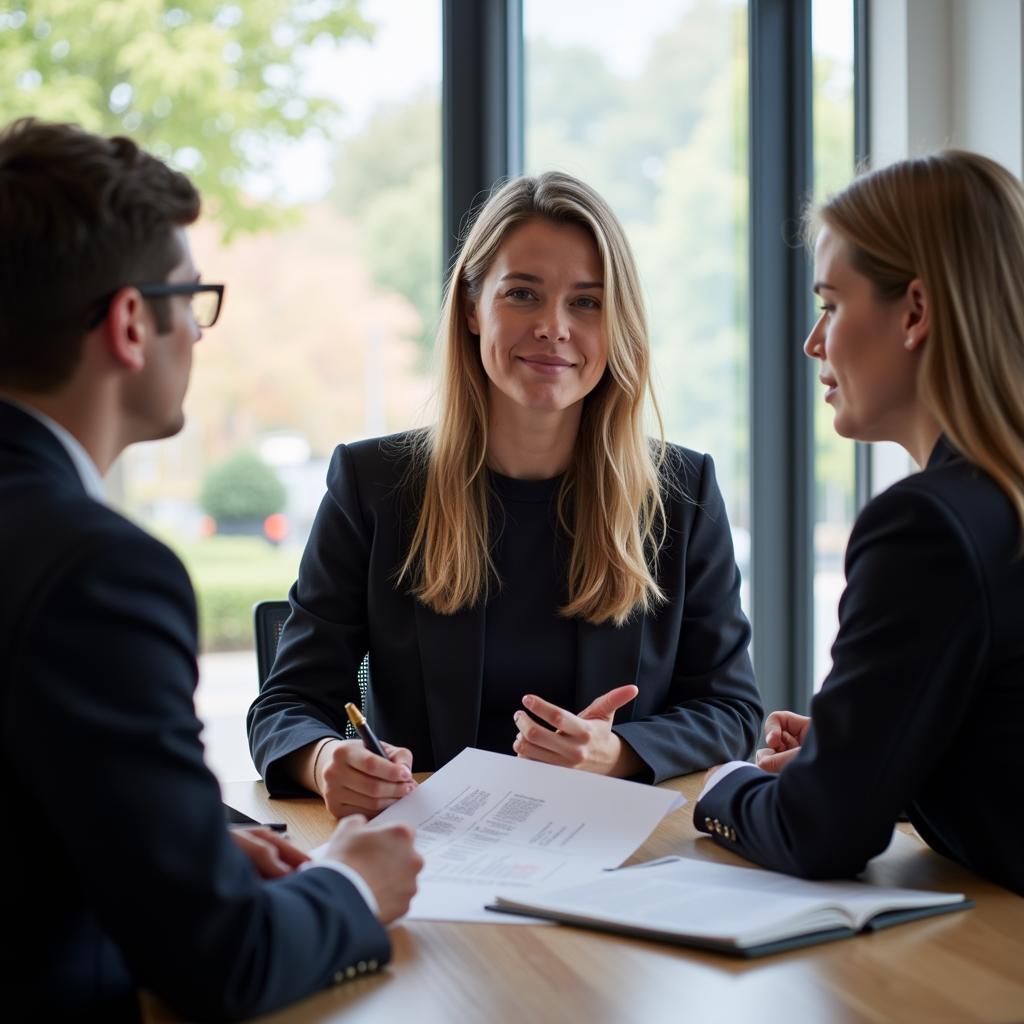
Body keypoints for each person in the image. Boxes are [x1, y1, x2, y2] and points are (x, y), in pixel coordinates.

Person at [0, 118, 423, 1022]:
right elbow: (222, 961)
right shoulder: (97, 572)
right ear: (127, 323)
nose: (197, 330)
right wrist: (351, 883)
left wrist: (202, 840)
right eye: (191, 300)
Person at [247, 171, 763, 820]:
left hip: (608, 855)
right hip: (426, 858)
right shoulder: (372, 484)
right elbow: (286, 705)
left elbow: (733, 711)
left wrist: (617, 752)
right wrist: (325, 760)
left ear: (618, 324)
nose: (553, 327)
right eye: (522, 294)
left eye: (586, 302)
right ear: (471, 307)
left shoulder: (681, 494)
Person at [695, 150, 1024, 896]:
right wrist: (871, 757)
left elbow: (819, 834)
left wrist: (727, 784)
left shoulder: (927, 526)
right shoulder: (998, 503)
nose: (815, 342)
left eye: (832, 305)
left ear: (914, 312)